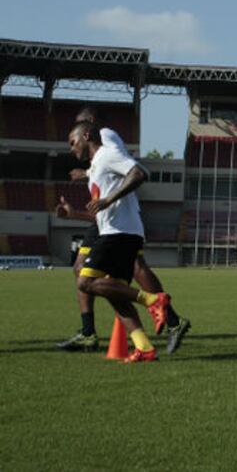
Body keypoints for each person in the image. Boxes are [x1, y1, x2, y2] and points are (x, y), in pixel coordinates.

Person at [57, 105, 190, 354]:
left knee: (86, 281)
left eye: (72, 140)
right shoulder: (96, 166)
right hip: (113, 229)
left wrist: (108, 199)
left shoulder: (106, 144)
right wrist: (74, 212)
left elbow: (139, 172)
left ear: (88, 131)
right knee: (114, 292)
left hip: (120, 232)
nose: (71, 147)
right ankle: (144, 347)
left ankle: (154, 302)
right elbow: (101, 211)